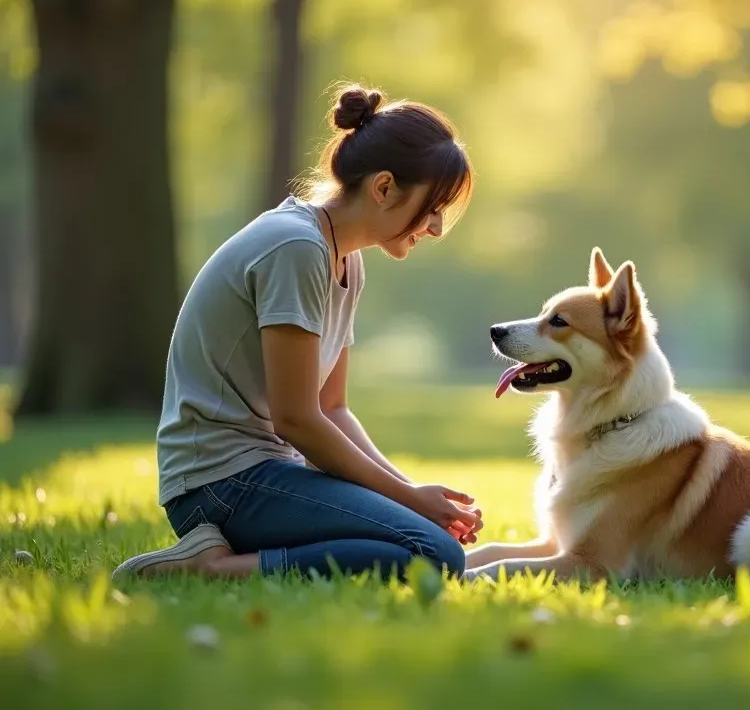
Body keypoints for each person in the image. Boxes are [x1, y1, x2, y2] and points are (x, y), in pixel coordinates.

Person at [112, 85, 483, 583]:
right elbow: (297, 420)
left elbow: (333, 408)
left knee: (425, 542)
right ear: (384, 187)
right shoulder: (296, 248)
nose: (436, 227)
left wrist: (412, 493)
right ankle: (212, 568)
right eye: (432, 206)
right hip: (221, 483)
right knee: (433, 555)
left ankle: (223, 560)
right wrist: (409, 500)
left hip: (267, 475)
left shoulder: (345, 259)